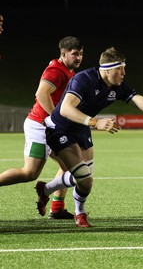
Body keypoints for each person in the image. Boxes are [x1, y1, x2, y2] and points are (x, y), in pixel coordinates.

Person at [35, 47, 143, 228]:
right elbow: (66, 109)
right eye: (120, 69)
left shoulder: (117, 86)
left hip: (82, 129)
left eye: (124, 68)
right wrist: (95, 123)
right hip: (61, 128)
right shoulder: (84, 79)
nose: (124, 73)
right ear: (107, 69)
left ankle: (45, 190)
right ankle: (80, 213)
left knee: (84, 180)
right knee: (85, 178)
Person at [0, 36, 83, 219]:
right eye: (75, 54)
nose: (78, 58)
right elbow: (41, 93)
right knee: (30, 172)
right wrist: (56, 119)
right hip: (40, 127)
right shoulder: (56, 70)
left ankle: (57, 207)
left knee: (72, 166)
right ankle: (47, 195)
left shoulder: (68, 71)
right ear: (63, 53)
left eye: (81, 54)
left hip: (51, 128)